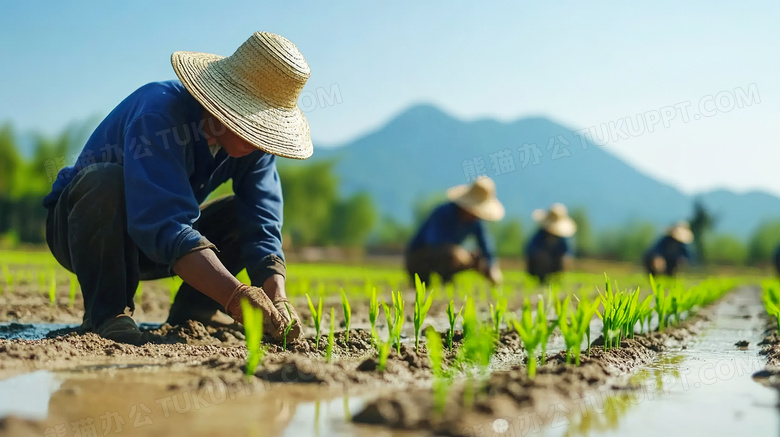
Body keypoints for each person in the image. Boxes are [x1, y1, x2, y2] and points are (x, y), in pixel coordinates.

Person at [42, 32, 312, 345]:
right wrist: (236, 296)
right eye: (251, 122)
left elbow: (262, 222)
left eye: (265, 128)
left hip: (158, 243)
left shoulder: (255, 149)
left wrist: (277, 296)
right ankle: (107, 312)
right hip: (86, 229)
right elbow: (163, 222)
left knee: (242, 216)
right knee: (104, 181)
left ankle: (195, 309)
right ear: (223, 103)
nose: (257, 138)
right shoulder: (160, 115)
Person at [406, 177, 504, 286]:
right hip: (419, 259)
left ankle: (447, 279)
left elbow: (486, 246)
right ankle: (433, 279)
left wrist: (491, 267)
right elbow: (433, 242)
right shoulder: (443, 212)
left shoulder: (475, 221)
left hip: (450, 256)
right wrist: (460, 253)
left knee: (477, 258)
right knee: (452, 255)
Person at [525, 203, 577, 282]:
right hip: (539, 266)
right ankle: (541, 279)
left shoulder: (563, 238)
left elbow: (568, 253)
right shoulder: (540, 235)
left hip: (556, 265)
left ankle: (557, 279)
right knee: (541, 258)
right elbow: (530, 250)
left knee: (563, 260)